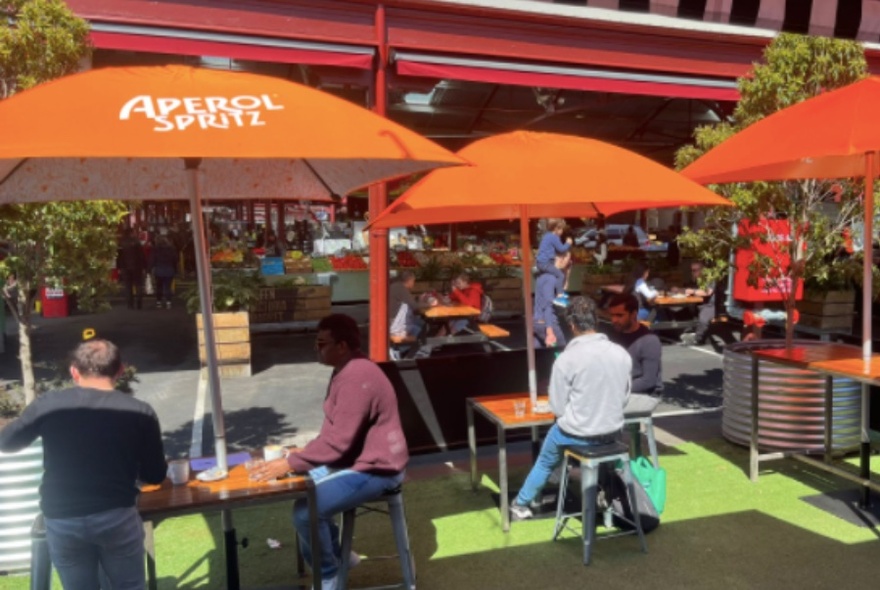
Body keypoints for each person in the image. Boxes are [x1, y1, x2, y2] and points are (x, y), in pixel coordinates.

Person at [253, 314, 408, 590]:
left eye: (322, 344)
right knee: (304, 491)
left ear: (343, 346)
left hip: (377, 469)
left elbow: (339, 442)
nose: (317, 349)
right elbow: (332, 434)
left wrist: (291, 462)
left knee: (305, 512)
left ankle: (328, 574)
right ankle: (340, 558)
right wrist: (304, 453)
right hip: (357, 460)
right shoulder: (345, 370)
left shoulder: (357, 376)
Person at [0, 339, 167, 589]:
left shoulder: (48, 405)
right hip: (116, 514)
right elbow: (155, 474)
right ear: (120, 371)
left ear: (74, 371)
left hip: (62, 517)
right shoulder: (140, 411)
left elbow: (8, 442)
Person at [510, 296, 632, 520]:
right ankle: (596, 488)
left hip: (577, 433)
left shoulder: (566, 359)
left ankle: (521, 502)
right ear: (596, 321)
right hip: (613, 432)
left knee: (546, 460)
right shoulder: (622, 354)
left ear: (572, 325)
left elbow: (557, 407)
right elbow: (624, 398)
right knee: (561, 453)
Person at [607, 293, 663, 394]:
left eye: (619, 315)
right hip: (619, 390)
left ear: (633, 314)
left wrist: (614, 390)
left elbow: (648, 381)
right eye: (612, 315)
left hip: (642, 394)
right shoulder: (612, 336)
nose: (614, 320)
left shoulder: (649, 340)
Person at [533, 253, 569, 348]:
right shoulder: (551, 278)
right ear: (561, 258)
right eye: (568, 257)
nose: (569, 261)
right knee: (562, 352)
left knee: (541, 358)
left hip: (538, 323)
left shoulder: (544, 275)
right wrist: (550, 332)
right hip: (547, 323)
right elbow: (548, 306)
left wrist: (567, 271)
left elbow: (562, 292)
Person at [388, 270, 435, 340]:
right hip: (394, 322)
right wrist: (429, 304)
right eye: (413, 281)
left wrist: (419, 300)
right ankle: (409, 348)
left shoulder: (398, 286)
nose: (414, 283)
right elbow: (414, 306)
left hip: (393, 318)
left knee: (420, 322)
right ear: (409, 280)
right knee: (421, 327)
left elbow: (410, 303)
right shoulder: (401, 288)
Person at [535, 218, 573, 307]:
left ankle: (558, 293)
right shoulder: (554, 237)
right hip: (545, 263)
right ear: (556, 229)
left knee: (554, 276)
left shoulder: (547, 236)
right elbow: (561, 249)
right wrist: (568, 243)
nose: (562, 231)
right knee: (560, 275)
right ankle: (559, 297)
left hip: (542, 263)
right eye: (561, 229)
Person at [679, 261, 716, 346]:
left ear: (702, 269)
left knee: (703, 319)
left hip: (710, 305)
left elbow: (707, 292)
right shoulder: (697, 279)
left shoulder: (710, 278)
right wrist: (682, 290)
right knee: (683, 311)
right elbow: (692, 289)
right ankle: (688, 332)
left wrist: (692, 291)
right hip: (699, 304)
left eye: (695, 270)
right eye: (692, 270)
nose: (693, 272)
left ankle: (698, 339)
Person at [117, 228, 147, 310]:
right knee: (138, 284)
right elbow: (141, 256)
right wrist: (144, 266)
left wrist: (119, 267)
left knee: (128, 286)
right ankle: (139, 303)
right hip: (137, 267)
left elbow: (119, 257)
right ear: (131, 233)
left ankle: (130, 304)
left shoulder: (121, 243)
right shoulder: (137, 242)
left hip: (125, 267)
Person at [149, 235, 178, 309]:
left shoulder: (155, 249)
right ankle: (168, 302)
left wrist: (149, 269)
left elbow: (152, 260)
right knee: (168, 287)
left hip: (159, 270)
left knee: (159, 287)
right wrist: (175, 269)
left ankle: (159, 302)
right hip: (169, 269)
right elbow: (175, 260)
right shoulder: (171, 249)